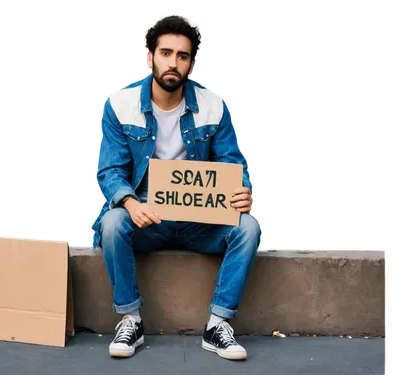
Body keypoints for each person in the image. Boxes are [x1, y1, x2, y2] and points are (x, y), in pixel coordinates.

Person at [90, 14, 263, 361]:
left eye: (182, 56)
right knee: (111, 223)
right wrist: (129, 203)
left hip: (199, 221)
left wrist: (245, 191)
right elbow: (109, 170)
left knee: (248, 227)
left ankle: (218, 325)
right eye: (166, 53)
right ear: (149, 58)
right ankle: (131, 319)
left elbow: (232, 161)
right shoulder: (118, 105)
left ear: (192, 65)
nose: (173, 62)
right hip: (146, 218)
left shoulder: (214, 105)